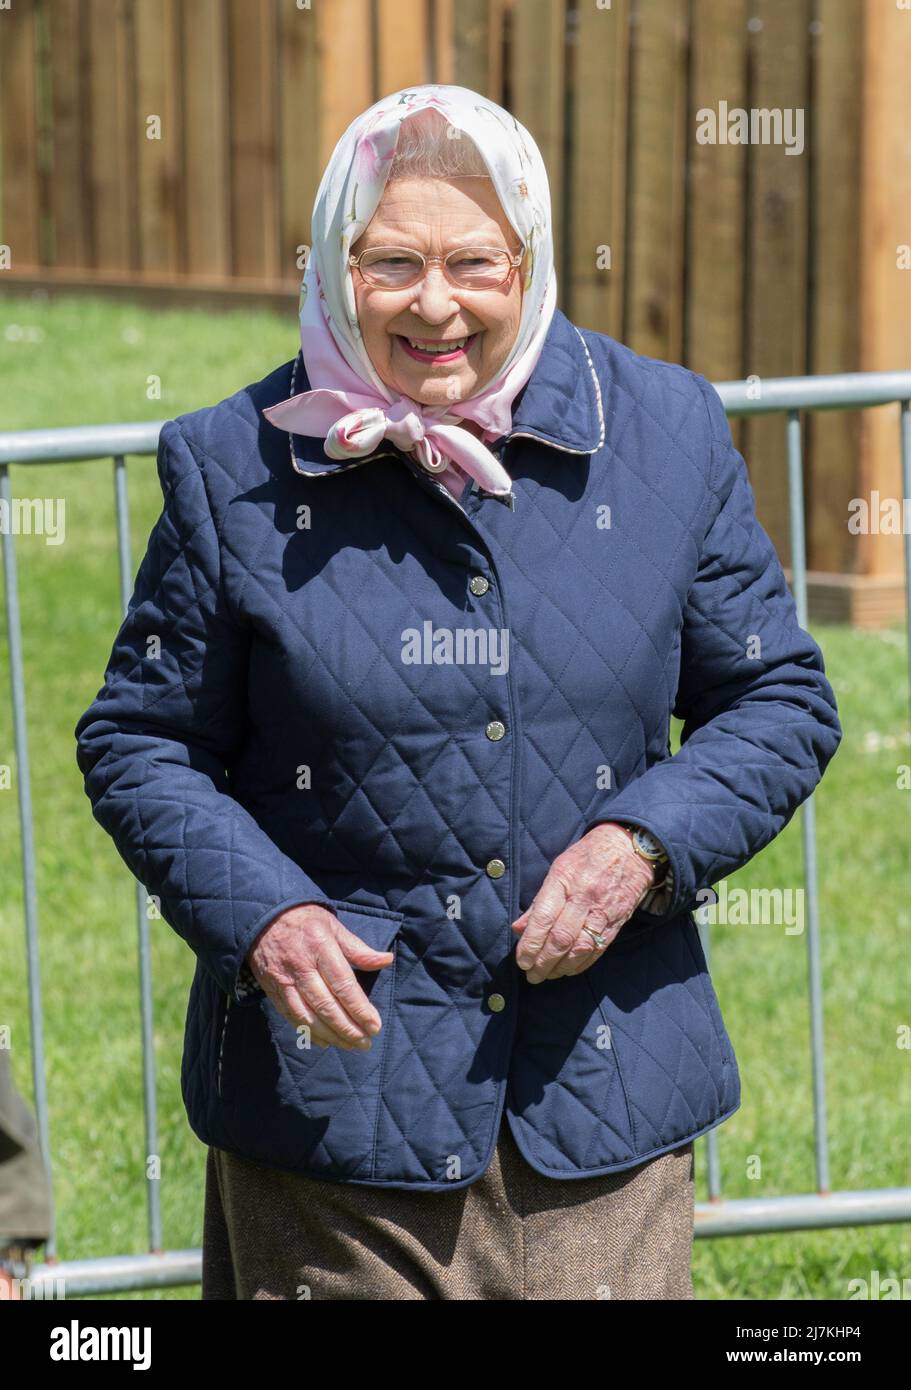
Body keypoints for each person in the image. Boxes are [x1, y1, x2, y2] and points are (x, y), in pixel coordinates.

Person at [74, 84, 842, 1300]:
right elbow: (140, 739)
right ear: (335, 265)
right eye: (391, 263)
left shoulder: (661, 434)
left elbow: (777, 699)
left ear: (527, 260)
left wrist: (642, 843)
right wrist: (265, 916)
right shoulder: (235, 466)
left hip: (598, 1103)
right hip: (336, 1121)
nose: (436, 304)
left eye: (473, 262)